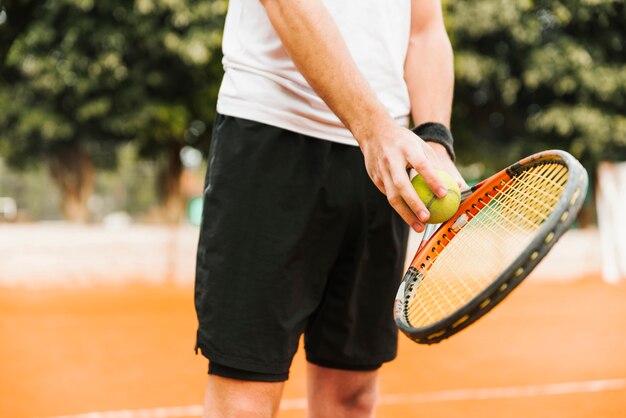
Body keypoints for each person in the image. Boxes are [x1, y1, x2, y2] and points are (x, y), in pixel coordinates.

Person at [194, 0, 465, 416]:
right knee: (244, 398)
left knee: (351, 396)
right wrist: (373, 127)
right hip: (273, 133)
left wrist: (433, 139)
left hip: (384, 160)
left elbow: (424, 29)